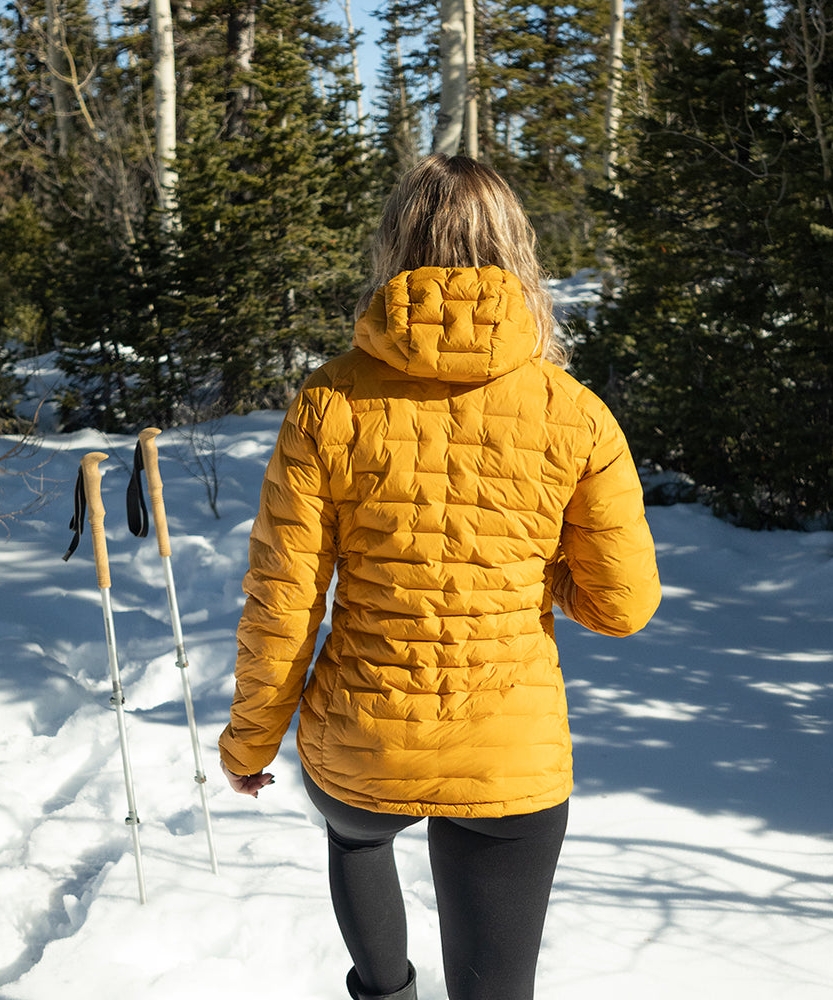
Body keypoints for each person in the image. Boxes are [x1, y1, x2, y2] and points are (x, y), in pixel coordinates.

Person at [219, 154, 661, 1000]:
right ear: (519, 254)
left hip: (363, 738)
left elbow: (285, 599)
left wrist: (250, 741)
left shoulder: (328, 401)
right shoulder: (574, 411)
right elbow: (624, 606)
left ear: (394, 248)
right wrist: (538, 576)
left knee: (356, 838)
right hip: (510, 749)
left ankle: (385, 990)